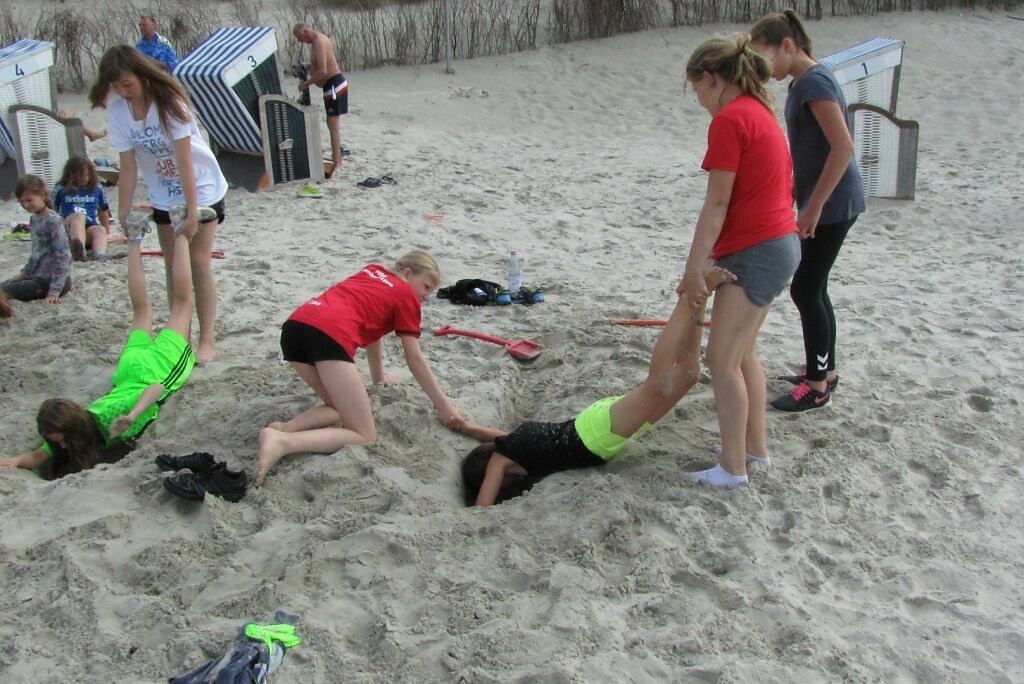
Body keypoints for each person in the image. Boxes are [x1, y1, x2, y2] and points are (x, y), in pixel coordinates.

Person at [459, 266, 737, 506]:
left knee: (659, 383)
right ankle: (702, 296)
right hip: (591, 422)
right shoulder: (507, 440)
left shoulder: (500, 460)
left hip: (594, 437)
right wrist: (462, 426)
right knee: (688, 374)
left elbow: (483, 507)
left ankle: (688, 300)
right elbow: (483, 432)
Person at [678, 35, 800, 490]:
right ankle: (756, 451)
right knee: (744, 352)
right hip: (779, 243)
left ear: (711, 79)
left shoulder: (731, 120)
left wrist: (693, 270)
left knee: (722, 359)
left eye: (698, 91)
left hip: (758, 248)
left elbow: (717, 204)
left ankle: (732, 468)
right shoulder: (760, 111)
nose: (700, 103)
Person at [0, 209, 197, 478]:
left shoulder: (106, 417)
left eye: (58, 438)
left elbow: (156, 388)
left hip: (154, 370)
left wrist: (133, 415)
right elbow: (39, 454)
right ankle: (135, 237)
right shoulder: (77, 423)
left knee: (182, 304)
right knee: (141, 309)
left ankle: (182, 233)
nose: (58, 444)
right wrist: (14, 461)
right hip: (128, 370)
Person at [255, 250, 465, 487]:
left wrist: (378, 377)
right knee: (364, 435)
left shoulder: (373, 270)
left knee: (337, 407)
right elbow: (414, 358)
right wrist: (444, 406)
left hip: (296, 328)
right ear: (407, 273)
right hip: (329, 336)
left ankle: (285, 428)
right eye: (426, 287)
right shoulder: (406, 294)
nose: (426, 296)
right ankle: (283, 442)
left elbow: (373, 330)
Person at [750, 10, 865, 412]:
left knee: (805, 288)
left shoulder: (815, 81)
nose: (762, 68)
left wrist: (814, 205)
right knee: (815, 287)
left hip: (833, 203)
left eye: (764, 57)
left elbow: (844, 146)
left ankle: (816, 387)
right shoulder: (803, 80)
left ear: (787, 46)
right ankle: (825, 371)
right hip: (825, 199)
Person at [89, 45, 229, 365]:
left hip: (201, 188)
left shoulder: (169, 103)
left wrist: (192, 212)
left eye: (128, 84)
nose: (123, 92)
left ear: (141, 75)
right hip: (163, 194)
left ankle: (206, 339)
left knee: (197, 261)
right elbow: (127, 165)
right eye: (116, 87)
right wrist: (123, 212)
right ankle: (180, 335)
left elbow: (184, 162)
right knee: (171, 263)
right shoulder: (119, 111)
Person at [1, 174, 72, 303]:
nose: (25, 205)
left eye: (29, 200)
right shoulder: (34, 218)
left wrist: (54, 291)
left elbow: (63, 256)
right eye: (21, 202)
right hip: (37, 277)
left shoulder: (53, 221)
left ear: (42, 195)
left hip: (50, 282)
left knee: (3, 292)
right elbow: (37, 253)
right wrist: (24, 274)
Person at [292, 23, 348, 175]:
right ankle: (337, 159)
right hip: (330, 86)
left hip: (334, 84)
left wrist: (306, 84)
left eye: (299, 38)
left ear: (305, 32)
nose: (300, 41)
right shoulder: (315, 42)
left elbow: (323, 70)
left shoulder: (319, 42)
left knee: (332, 123)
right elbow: (318, 64)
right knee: (331, 122)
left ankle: (337, 161)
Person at [53, 156, 114, 261]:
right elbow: (53, 210)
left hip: (89, 227)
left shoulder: (97, 188)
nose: (86, 178)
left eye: (88, 175)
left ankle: (99, 253)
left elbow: (103, 210)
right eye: (82, 175)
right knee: (78, 217)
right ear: (72, 175)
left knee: (99, 229)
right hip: (68, 227)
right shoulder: (60, 188)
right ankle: (80, 252)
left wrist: (107, 232)